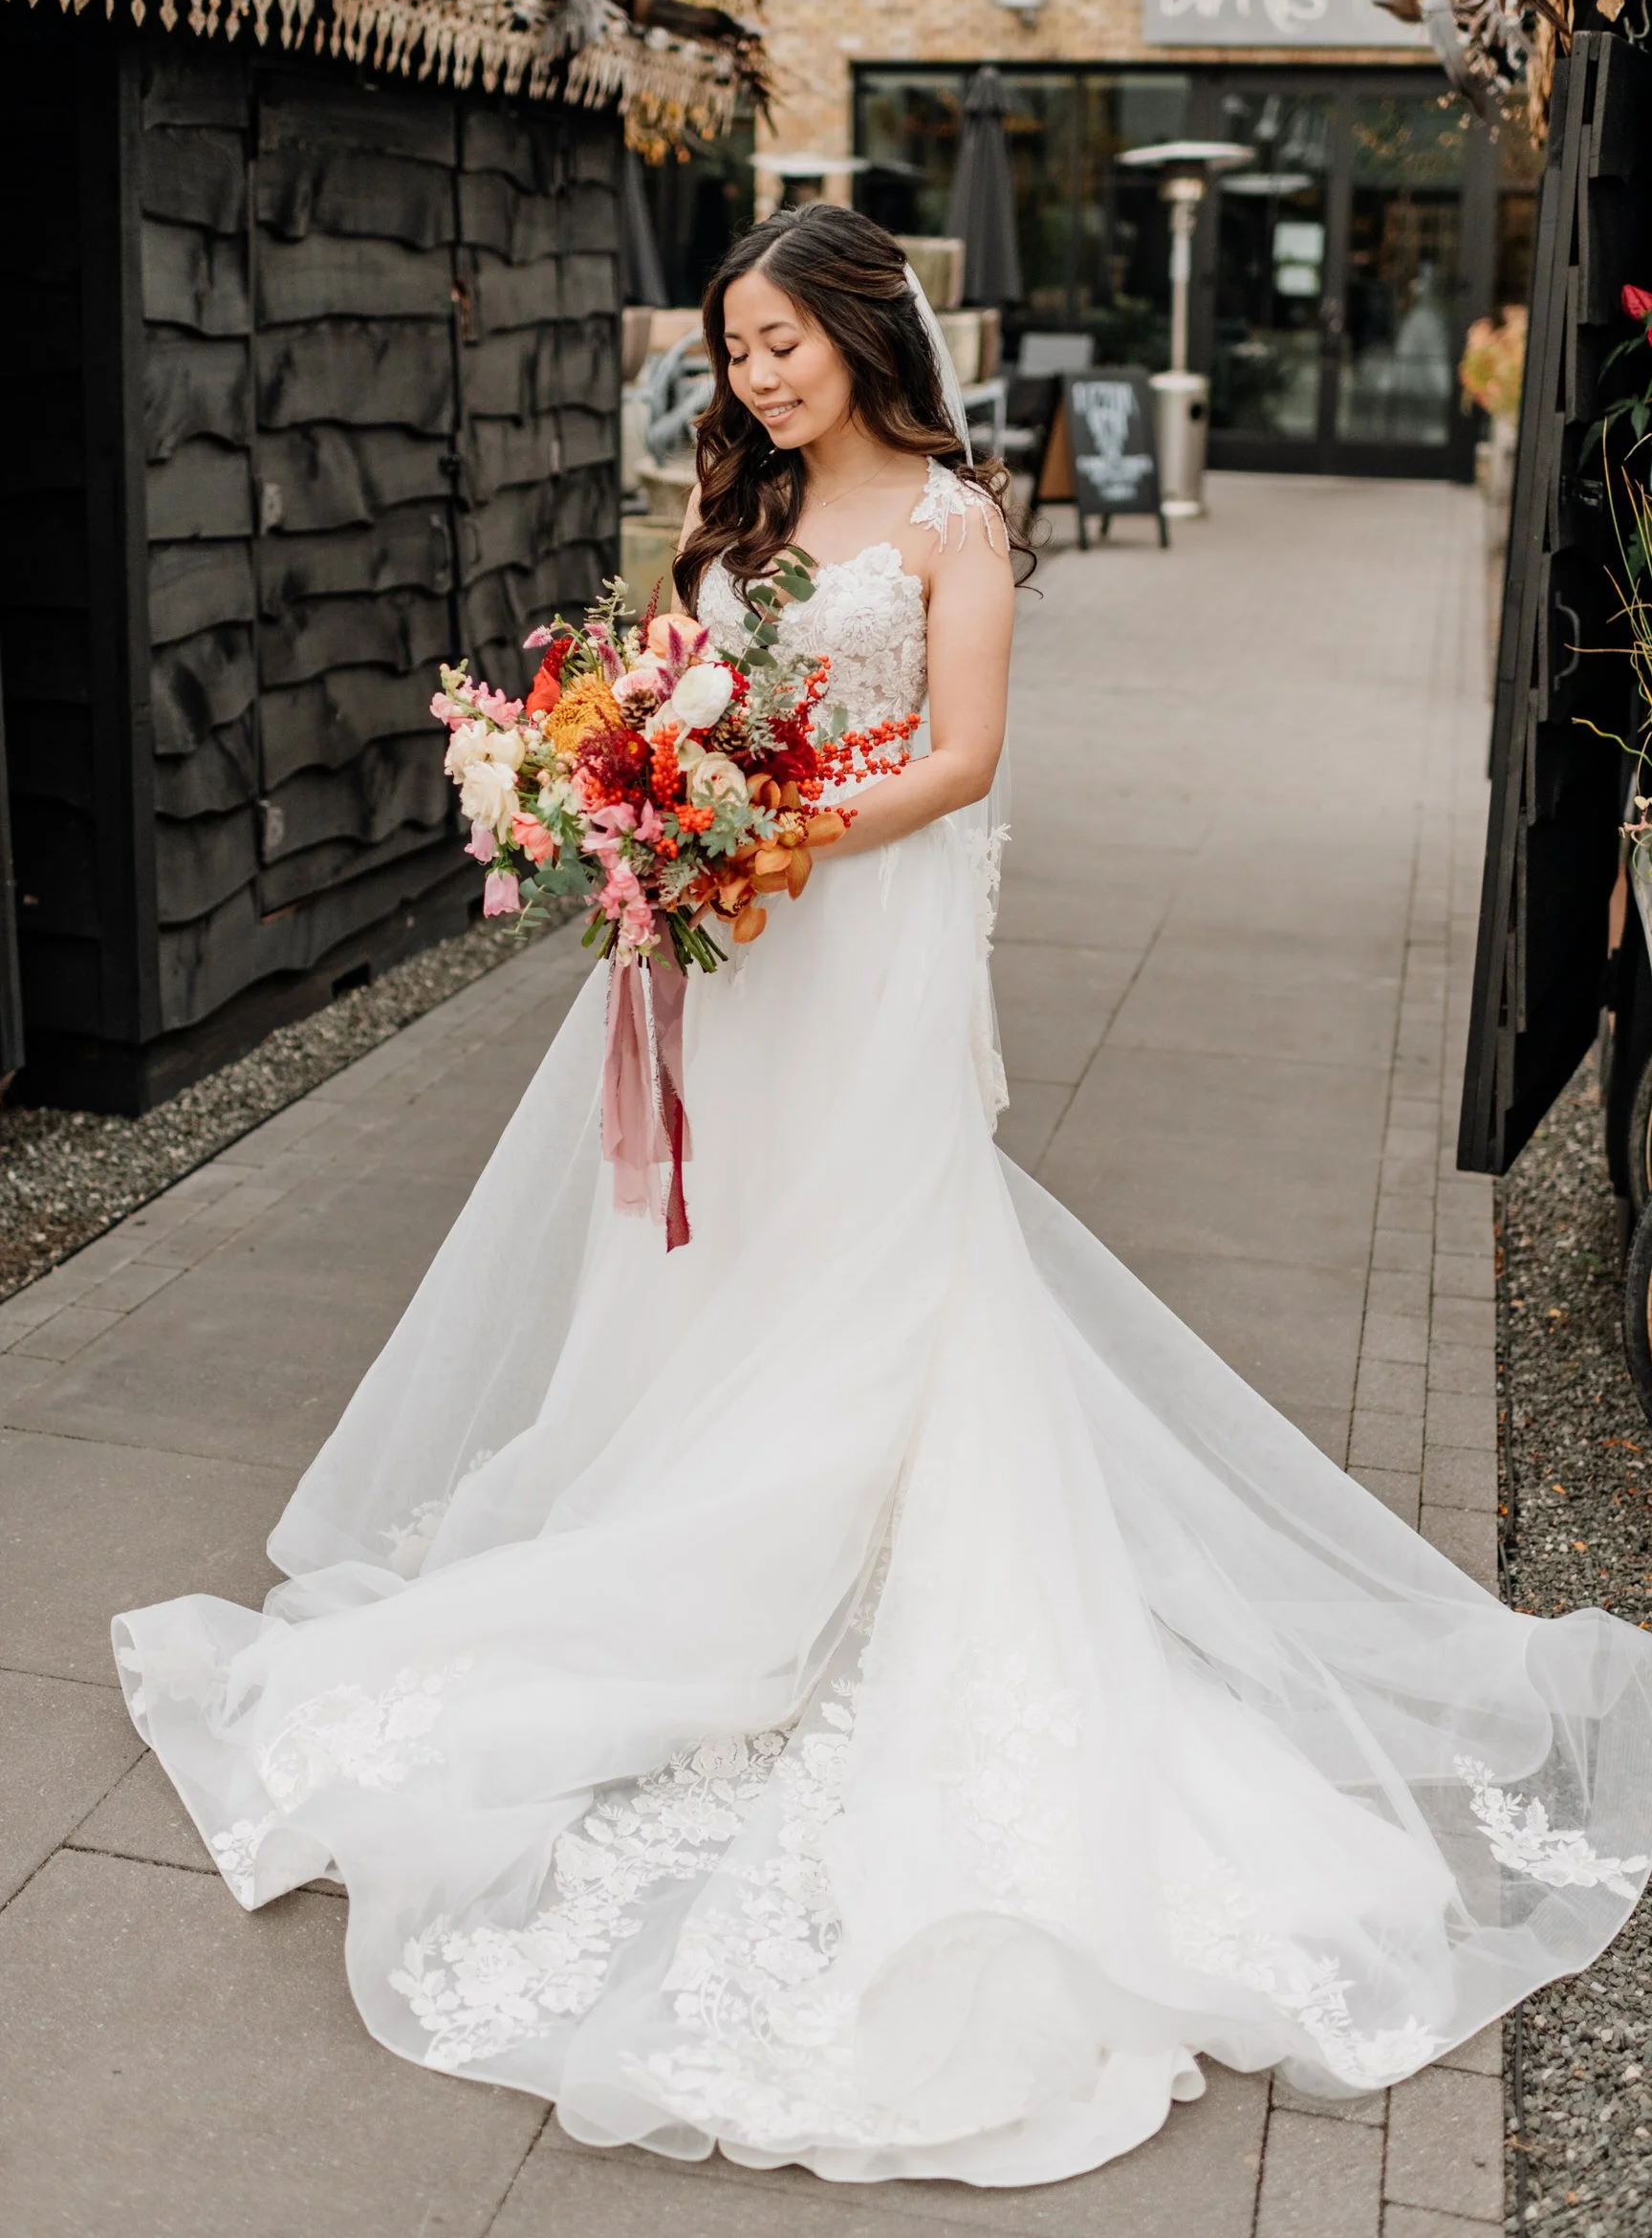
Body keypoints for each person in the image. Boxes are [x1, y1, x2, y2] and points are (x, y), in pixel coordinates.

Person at [114, 205, 1652, 2188]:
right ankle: (700, 1529)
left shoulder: (951, 517)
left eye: (782, 341)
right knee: (731, 1252)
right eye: (733, 346)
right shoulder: (735, 520)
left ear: (858, 331)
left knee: (877, 1254)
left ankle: (830, 1579)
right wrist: (639, 801)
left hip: (859, 937)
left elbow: (966, 752)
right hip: (740, 951)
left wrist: (761, 829)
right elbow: (680, 690)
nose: (756, 374)